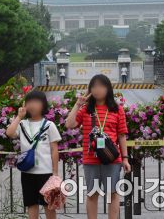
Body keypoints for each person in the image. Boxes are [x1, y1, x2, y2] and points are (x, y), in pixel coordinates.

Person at [65, 74, 130, 219]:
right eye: (93, 86)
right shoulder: (86, 109)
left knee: (112, 193)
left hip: (112, 159)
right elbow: (69, 125)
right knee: (92, 194)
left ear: (108, 88)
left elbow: (121, 135)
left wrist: (125, 158)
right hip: (90, 160)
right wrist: (77, 104)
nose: (97, 89)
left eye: (101, 86)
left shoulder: (117, 109)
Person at [6, 91, 62, 219]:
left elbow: (54, 150)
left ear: (43, 105)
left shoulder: (49, 125)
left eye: (37, 102)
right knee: (31, 204)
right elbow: (9, 133)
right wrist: (19, 117)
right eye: (30, 102)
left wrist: (55, 173)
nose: (33, 105)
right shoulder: (22, 124)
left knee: (49, 205)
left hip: (46, 172)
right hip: (28, 172)